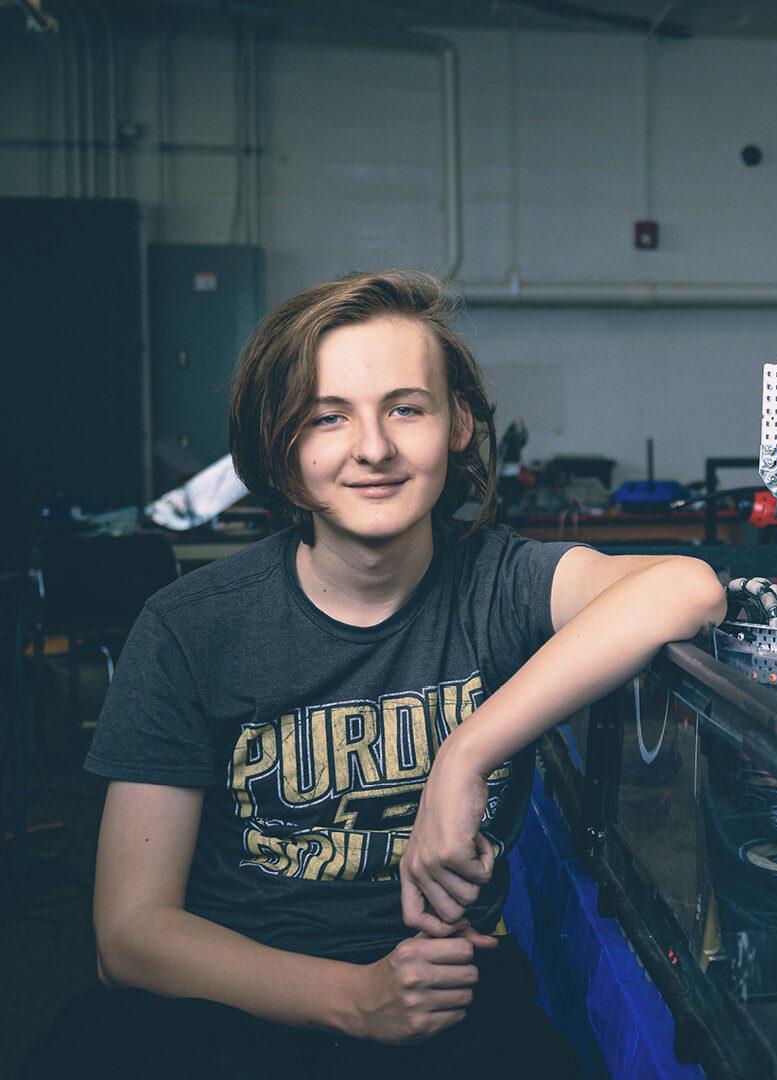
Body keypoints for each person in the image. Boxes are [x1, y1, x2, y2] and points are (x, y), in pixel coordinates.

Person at [20, 270, 726, 1076]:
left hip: (446, 1008)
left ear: (458, 422)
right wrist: (354, 997)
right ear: (282, 447)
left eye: (406, 407)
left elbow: (688, 588)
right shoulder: (191, 629)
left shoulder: (500, 583)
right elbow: (131, 934)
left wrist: (461, 757)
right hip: (227, 1005)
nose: (375, 448)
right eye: (328, 418)